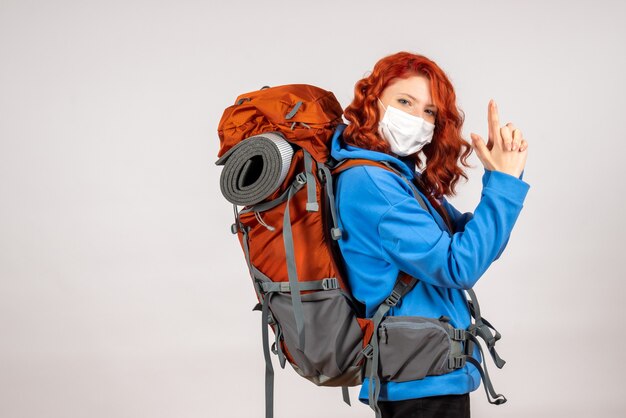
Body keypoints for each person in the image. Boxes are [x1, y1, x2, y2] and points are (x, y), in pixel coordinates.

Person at [330, 51, 530, 418]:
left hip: (426, 370)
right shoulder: (372, 183)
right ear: (372, 102)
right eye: (404, 101)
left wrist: (502, 177)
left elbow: (475, 244)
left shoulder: (397, 178)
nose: (417, 118)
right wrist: (502, 185)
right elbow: (461, 266)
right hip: (419, 380)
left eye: (429, 111)